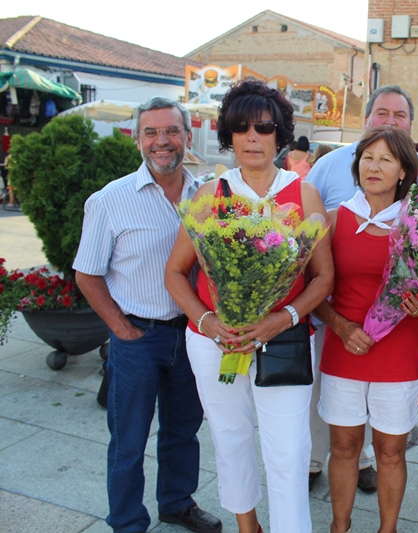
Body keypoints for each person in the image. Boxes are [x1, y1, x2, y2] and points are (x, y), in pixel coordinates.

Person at [164, 80, 334, 533]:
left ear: (280, 134)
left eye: (263, 127)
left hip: (284, 341)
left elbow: (324, 277)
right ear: (229, 135)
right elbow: (175, 273)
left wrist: (284, 317)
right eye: (241, 128)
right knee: (230, 437)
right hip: (215, 342)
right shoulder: (210, 195)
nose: (252, 137)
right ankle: (247, 526)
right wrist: (208, 322)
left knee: (289, 451)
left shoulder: (304, 195)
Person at [73, 97, 222, 533]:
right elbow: (87, 274)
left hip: (192, 334)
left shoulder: (208, 196)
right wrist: (120, 328)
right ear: (137, 139)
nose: (162, 141)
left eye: (171, 131)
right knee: (129, 438)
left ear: (188, 136)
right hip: (139, 336)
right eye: (151, 132)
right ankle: (126, 521)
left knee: (183, 430)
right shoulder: (110, 200)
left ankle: (177, 503)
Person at [306, 84, 418, 493]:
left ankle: (387, 522)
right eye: (368, 159)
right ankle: (334, 511)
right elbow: (312, 284)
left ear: (404, 171)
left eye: (386, 160)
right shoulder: (333, 214)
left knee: (391, 451)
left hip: (399, 346)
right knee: (342, 444)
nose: (375, 167)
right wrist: (341, 326)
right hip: (342, 342)